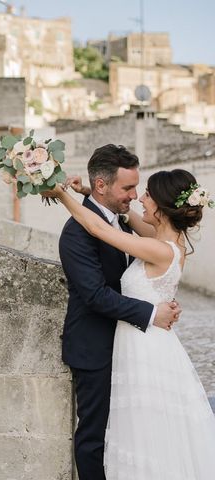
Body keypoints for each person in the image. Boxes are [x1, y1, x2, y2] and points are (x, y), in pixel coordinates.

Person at [49, 158, 215, 479]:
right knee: (134, 430)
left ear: (163, 208)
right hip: (138, 340)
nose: (139, 198)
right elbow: (118, 215)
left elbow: (97, 227)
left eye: (148, 195)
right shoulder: (159, 238)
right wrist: (87, 192)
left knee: (144, 431)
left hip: (146, 347)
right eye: (133, 189)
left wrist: (61, 195)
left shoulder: (160, 248)